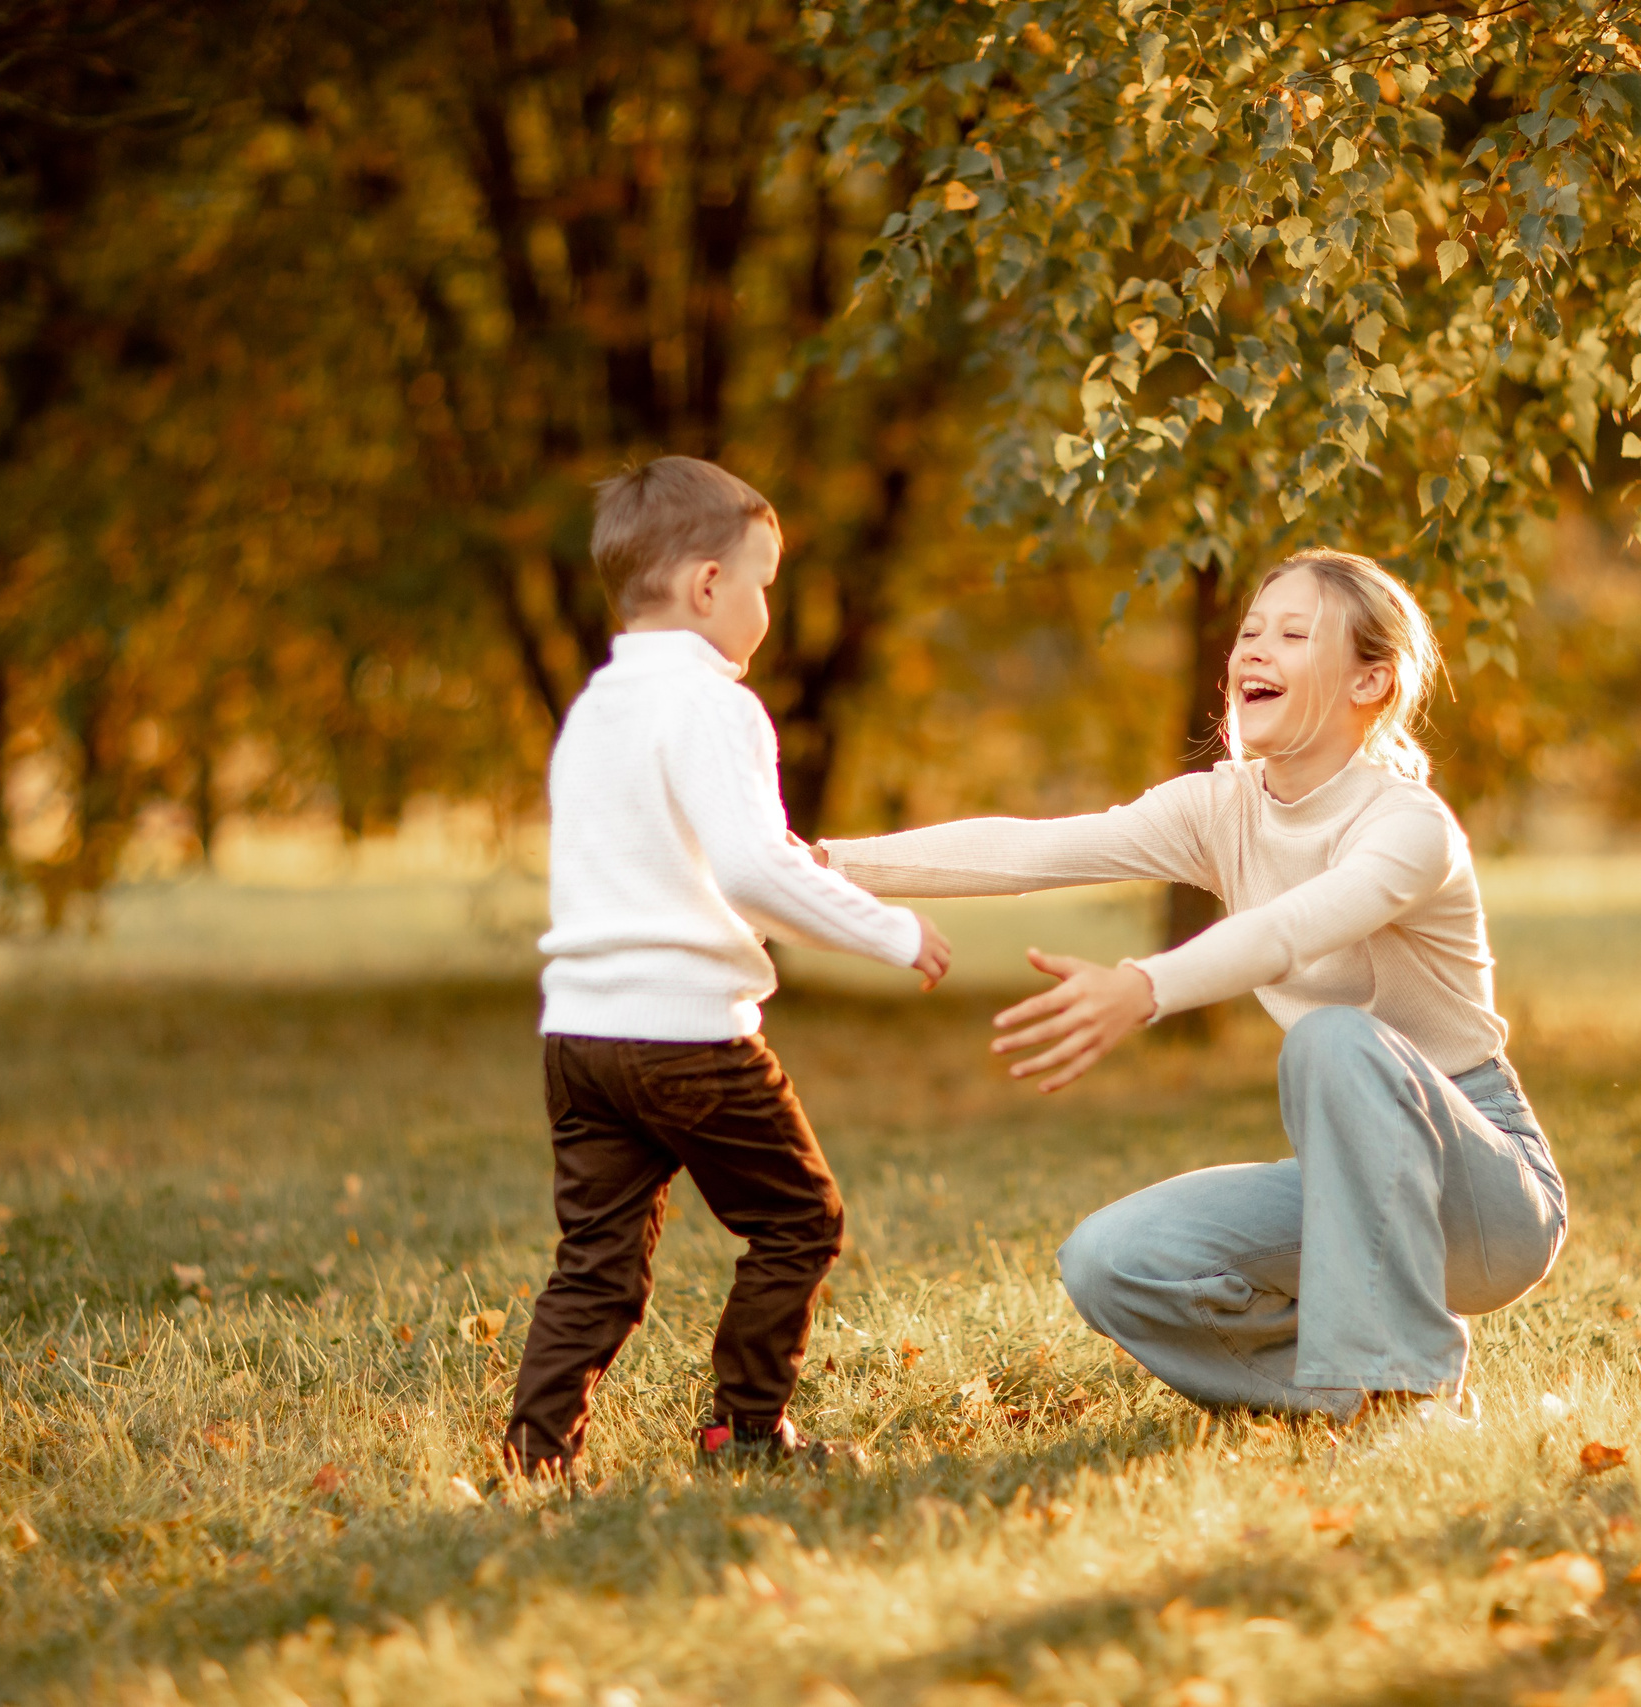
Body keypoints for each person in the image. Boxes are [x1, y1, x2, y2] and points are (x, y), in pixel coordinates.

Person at [815, 551, 1563, 1421]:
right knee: (1110, 1260)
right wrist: (829, 864)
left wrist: (1143, 985)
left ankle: (1413, 1386)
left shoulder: (1407, 826)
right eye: (1249, 631)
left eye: (1292, 633)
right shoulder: (1225, 808)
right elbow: (1036, 849)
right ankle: (1351, 1400)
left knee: (1332, 1034)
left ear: (1372, 682)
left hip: (1488, 1192)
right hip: (1350, 1176)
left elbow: (1288, 932)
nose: (1254, 649)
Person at [510, 456, 953, 1478]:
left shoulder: (596, 709)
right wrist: (887, 931)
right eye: (762, 582)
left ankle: (536, 1456)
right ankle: (745, 1432)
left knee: (597, 1268)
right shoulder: (713, 704)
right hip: (686, 1038)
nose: (764, 605)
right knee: (801, 1221)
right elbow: (754, 870)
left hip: (579, 1036)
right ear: (709, 586)